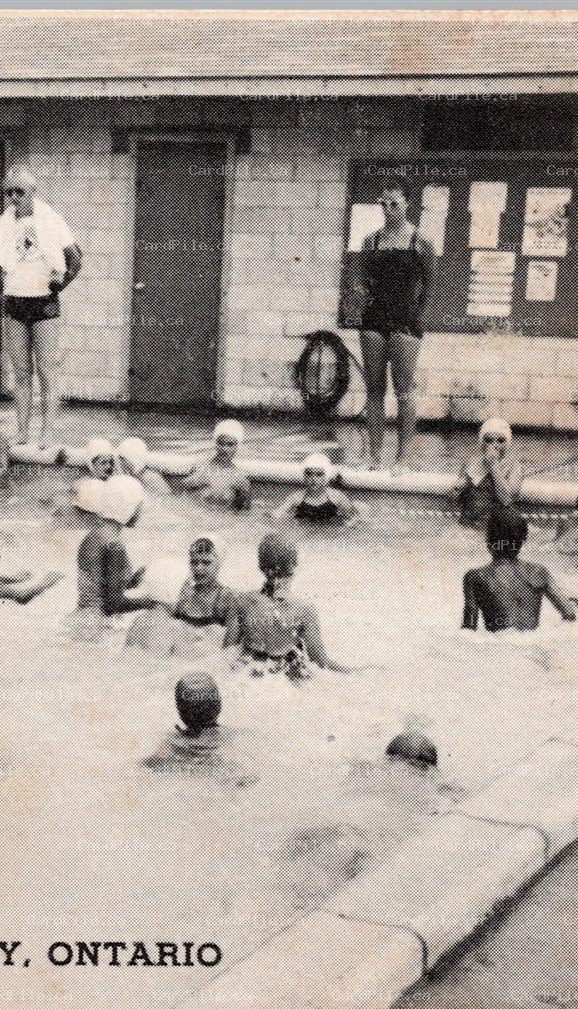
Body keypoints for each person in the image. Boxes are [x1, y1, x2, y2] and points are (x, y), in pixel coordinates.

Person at [0, 165, 82, 445]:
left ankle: (47, 432)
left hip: (44, 305)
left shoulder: (51, 219)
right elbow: (2, 258)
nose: (14, 198)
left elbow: (76, 260)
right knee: (21, 372)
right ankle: (22, 431)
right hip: (15, 302)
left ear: (33, 192)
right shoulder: (4, 223)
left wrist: (58, 286)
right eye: (9, 193)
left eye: (20, 192)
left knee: (46, 370)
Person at [357, 178, 434, 471]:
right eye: (384, 204)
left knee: (403, 389)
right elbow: (363, 279)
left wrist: (415, 318)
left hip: (405, 320)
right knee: (374, 389)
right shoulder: (371, 241)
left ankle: (403, 457)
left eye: (394, 204)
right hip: (374, 319)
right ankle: (373, 456)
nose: (388, 209)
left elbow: (429, 286)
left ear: (407, 204)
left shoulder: (421, 242)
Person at [227, 532, 354, 679]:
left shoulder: (241, 601)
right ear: (294, 566)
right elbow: (320, 662)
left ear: (261, 566)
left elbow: (227, 652)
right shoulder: (304, 609)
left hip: (250, 672)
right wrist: (356, 672)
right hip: (282, 677)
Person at [462, 508, 578, 632]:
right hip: (534, 644)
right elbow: (569, 614)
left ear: (489, 541)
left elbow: (469, 629)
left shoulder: (476, 576)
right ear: (521, 542)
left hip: (500, 647)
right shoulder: (538, 571)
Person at [142, 673, 256, 785]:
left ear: (180, 710)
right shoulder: (241, 736)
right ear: (219, 705)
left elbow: (144, 768)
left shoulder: (170, 743)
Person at [76, 474, 157, 618]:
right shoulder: (115, 545)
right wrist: (152, 602)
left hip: (81, 617)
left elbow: (101, 586)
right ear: (128, 506)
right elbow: (113, 605)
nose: (139, 512)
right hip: (96, 624)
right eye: (138, 506)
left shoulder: (92, 536)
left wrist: (132, 581)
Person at [454, 418, 524, 528]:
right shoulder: (471, 462)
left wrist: (493, 466)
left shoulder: (514, 466)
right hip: (467, 525)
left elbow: (507, 499)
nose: (494, 444)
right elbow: (453, 499)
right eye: (489, 440)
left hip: (495, 530)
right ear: (482, 443)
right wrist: (458, 489)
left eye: (500, 440)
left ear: (507, 443)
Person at [181, 420, 252, 511]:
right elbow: (181, 498)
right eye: (221, 443)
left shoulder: (240, 478)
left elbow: (244, 513)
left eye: (230, 445)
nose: (224, 449)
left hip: (223, 521)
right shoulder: (199, 468)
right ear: (215, 444)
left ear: (237, 446)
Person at [272, 453, 358, 527]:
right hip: (304, 535)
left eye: (319, 474)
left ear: (326, 476)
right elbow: (276, 516)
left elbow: (354, 517)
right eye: (309, 474)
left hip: (331, 536)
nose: (313, 479)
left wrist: (345, 527)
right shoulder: (296, 498)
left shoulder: (336, 497)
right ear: (304, 476)